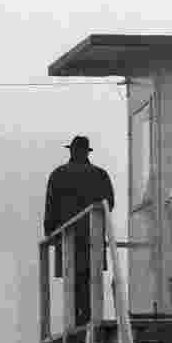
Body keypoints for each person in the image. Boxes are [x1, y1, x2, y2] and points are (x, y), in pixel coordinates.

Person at [43, 136, 115, 326]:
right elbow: (109, 204)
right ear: (87, 152)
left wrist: (49, 233)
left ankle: (76, 325)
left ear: (71, 151)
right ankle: (90, 321)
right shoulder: (100, 175)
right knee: (91, 283)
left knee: (72, 284)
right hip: (94, 237)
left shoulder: (58, 174)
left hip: (69, 239)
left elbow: (50, 209)